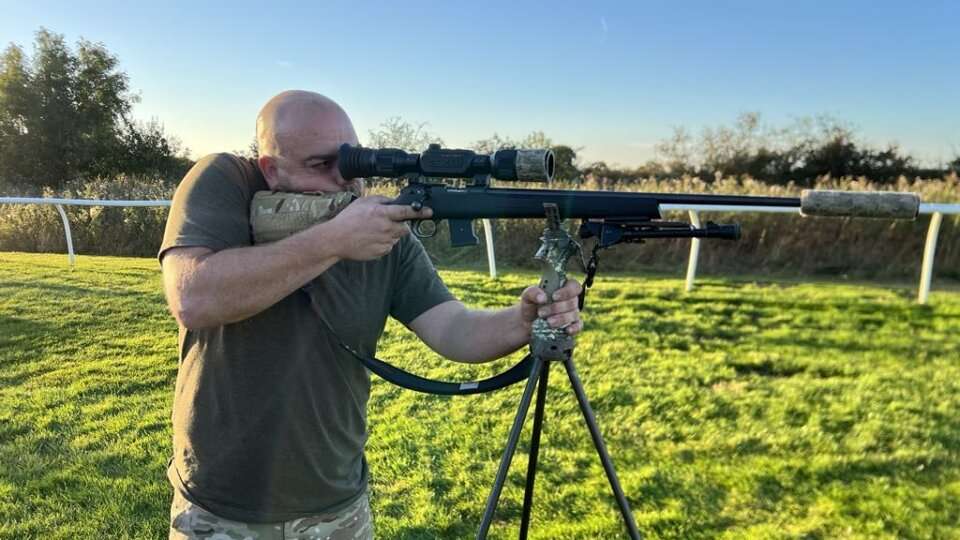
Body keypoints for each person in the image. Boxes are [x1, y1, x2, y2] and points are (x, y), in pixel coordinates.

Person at [159, 90, 583, 539]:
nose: (345, 180)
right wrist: (334, 241)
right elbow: (193, 297)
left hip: (336, 505)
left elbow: (453, 329)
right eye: (322, 165)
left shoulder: (382, 234)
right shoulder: (225, 179)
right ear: (271, 169)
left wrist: (522, 320)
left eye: (352, 162)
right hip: (221, 508)